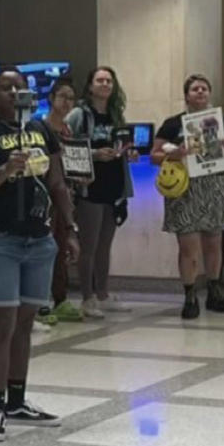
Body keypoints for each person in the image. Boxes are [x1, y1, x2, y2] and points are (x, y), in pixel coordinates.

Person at [0, 66, 80, 442]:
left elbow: (57, 182)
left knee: (26, 323)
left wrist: (70, 228)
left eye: (20, 87)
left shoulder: (42, 131)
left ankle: (17, 400)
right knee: (2, 324)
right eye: (5, 88)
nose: (14, 93)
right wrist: (5, 171)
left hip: (39, 239)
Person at [152, 74, 224, 319]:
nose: (200, 92)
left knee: (214, 243)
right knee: (188, 247)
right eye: (194, 89)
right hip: (186, 190)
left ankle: (214, 290)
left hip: (214, 187)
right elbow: (154, 156)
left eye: (204, 88)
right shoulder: (172, 124)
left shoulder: (222, 124)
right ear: (187, 95)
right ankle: (190, 293)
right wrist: (177, 153)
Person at [65, 66, 136, 318]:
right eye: (100, 80)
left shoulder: (117, 116)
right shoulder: (78, 115)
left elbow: (123, 145)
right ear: (91, 85)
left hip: (113, 186)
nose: (105, 84)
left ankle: (103, 293)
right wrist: (94, 154)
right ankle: (87, 297)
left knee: (105, 245)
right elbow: (65, 147)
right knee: (89, 245)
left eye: (109, 81)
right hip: (89, 188)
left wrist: (129, 152)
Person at [41, 77, 84, 323]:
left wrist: (82, 175)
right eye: (62, 97)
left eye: (71, 98)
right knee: (45, 248)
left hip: (67, 194)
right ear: (51, 98)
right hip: (47, 195)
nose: (67, 102)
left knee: (62, 247)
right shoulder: (42, 128)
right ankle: (40, 300)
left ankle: (61, 297)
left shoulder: (69, 131)